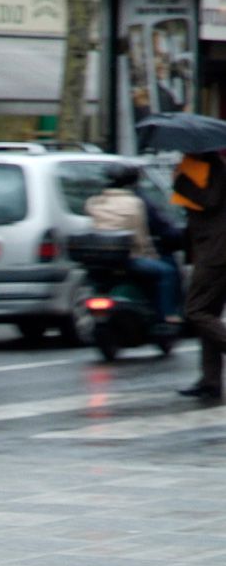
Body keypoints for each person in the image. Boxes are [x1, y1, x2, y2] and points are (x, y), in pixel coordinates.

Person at [83, 165, 182, 322]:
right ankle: (167, 316)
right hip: (131, 259)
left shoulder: (94, 202)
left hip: (101, 261)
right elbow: (141, 237)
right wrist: (151, 255)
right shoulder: (136, 203)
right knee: (167, 272)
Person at [172, 151, 226, 402]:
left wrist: (180, 182)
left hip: (216, 251)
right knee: (208, 313)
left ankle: (210, 379)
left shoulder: (211, 165)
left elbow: (210, 200)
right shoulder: (202, 164)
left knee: (196, 311)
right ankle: (210, 380)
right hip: (212, 249)